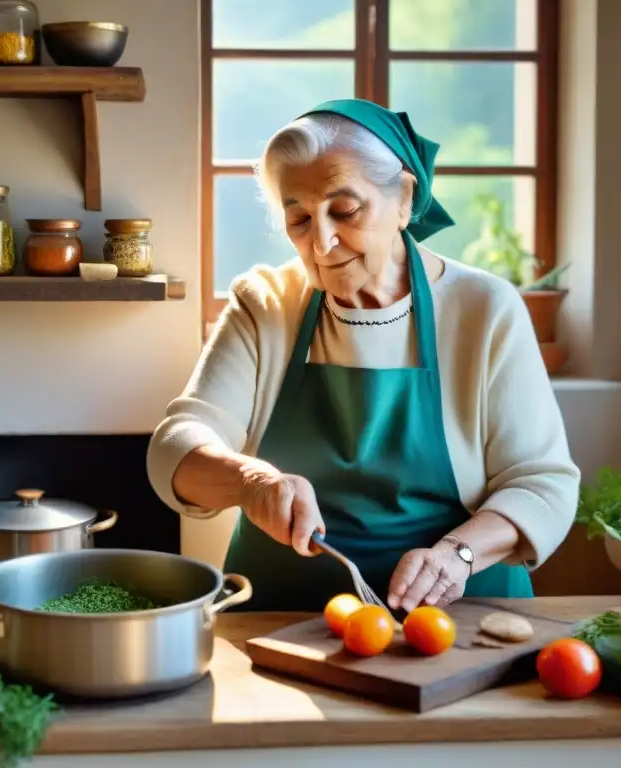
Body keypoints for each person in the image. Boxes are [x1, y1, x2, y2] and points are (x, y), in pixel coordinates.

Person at [147, 98, 580, 613]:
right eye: (300, 219)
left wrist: (458, 555)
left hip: (457, 618)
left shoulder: (484, 309)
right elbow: (176, 449)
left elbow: (543, 486)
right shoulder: (265, 303)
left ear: (403, 200)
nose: (323, 242)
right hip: (280, 615)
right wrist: (252, 482)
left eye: (345, 211)